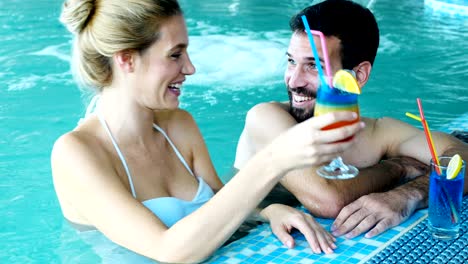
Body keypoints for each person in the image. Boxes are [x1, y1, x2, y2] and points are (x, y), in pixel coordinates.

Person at [49, 0, 370, 262]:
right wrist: (274, 160)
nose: (190, 68)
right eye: (175, 55)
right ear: (126, 60)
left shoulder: (179, 125)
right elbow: (170, 250)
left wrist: (267, 211)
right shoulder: (76, 153)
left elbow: (221, 202)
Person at [234, 0, 468, 240]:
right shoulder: (266, 118)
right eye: (292, 61)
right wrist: (397, 167)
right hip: (238, 239)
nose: (294, 81)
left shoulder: (378, 131)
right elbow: (327, 199)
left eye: (313, 65)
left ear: (359, 75)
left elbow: (460, 158)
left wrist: (406, 196)